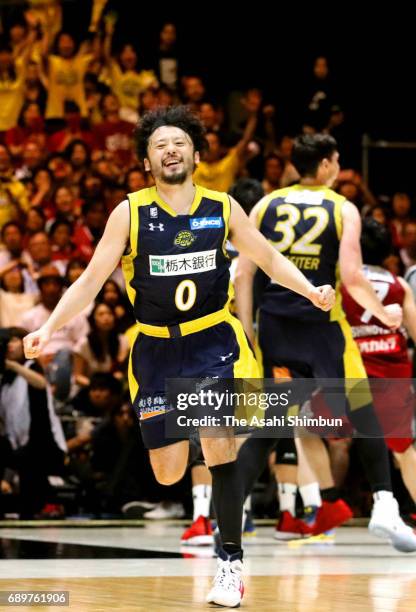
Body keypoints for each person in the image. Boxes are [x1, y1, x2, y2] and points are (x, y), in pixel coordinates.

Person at [23, 106, 334, 608]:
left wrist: (309, 288)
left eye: (179, 142)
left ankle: (230, 562)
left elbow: (269, 258)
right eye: (159, 145)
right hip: (155, 349)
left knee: (218, 446)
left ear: (195, 152)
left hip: (213, 341)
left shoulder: (223, 206)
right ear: (147, 161)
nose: (170, 150)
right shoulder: (129, 212)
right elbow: (90, 280)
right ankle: (197, 437)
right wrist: (48, 325)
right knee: (167, 471)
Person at [234, 133, 416, 551]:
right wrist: (384, 313)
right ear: (330, 163)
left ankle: (228, 511)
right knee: (364, 409)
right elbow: (352, 276)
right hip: (322, 327)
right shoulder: (342, 207)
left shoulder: (265, 204)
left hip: (275, 326)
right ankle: (385, 504)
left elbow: (244, 274)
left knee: (270, 425)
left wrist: (248, 329)